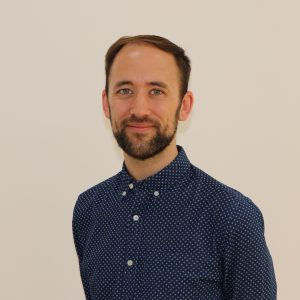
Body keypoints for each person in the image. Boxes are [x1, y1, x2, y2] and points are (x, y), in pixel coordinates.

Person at [72, 35, 277, 299]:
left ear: (185, 105)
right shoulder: (89, 209)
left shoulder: (233, 216)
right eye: (125, 90)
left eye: (156, 91)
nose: (139, 109)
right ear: (106, 103)